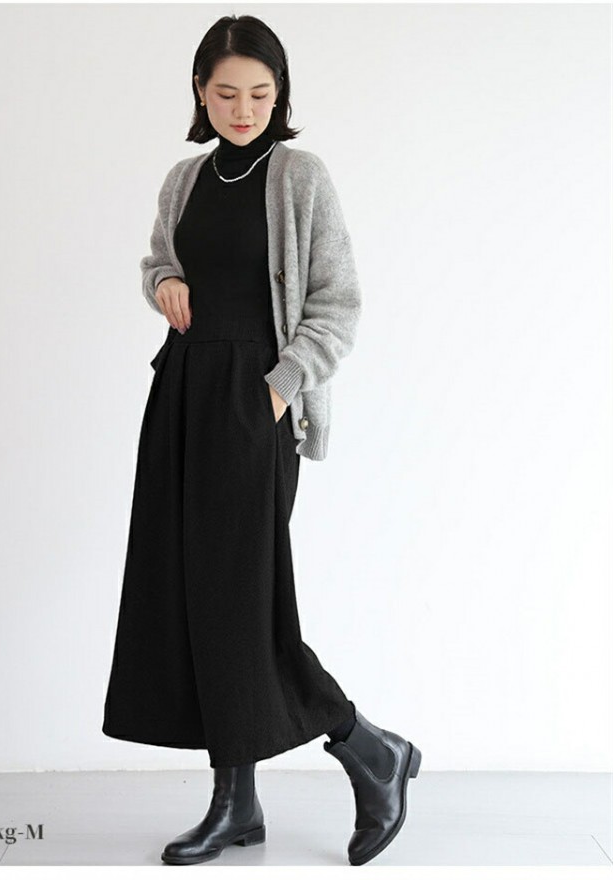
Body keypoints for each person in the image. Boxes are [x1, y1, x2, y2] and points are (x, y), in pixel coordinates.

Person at [101, 13, 421, 867]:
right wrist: (164, 280)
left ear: (280, 97)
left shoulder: (300, 177)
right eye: (226, 93)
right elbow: (160, 260)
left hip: (254, 403)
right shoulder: (184, 178)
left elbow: (336, 304)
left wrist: (278, 392)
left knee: (244, 604)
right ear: (200, 95)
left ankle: (370, 749)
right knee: (195, 599)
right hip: (181, 395)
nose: (243, 109)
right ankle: (237, 804)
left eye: (260, 93)